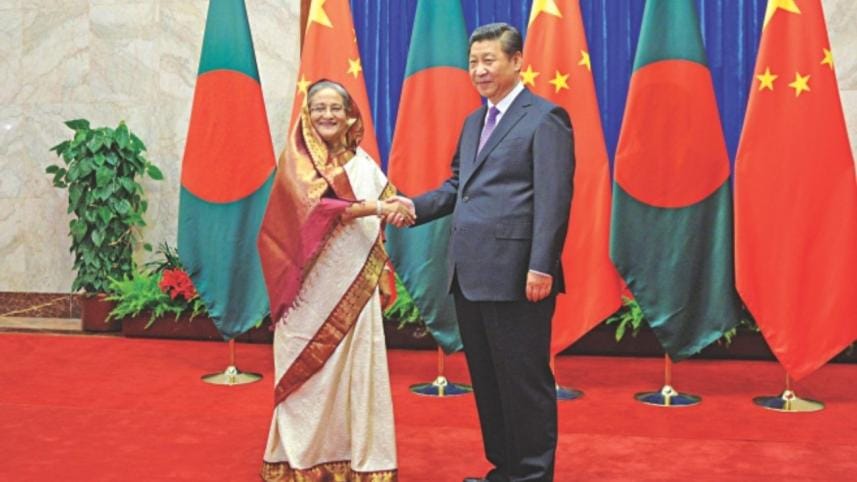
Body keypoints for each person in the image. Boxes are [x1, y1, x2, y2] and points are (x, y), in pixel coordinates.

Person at [390, 23, 574, 482]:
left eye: (489, 60)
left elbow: (554, 198)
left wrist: (541, 265)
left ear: (516, 61)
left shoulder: (545, 117)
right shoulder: (476, 121)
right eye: (473, 62)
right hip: (470, 273)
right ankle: (504, 469)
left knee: (523, 382)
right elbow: (459, 187)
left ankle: (532, 475)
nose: (479, 70)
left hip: (518, 276)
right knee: (489, 381)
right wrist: (414, 206)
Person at [258, 79, 412, 482]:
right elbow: (323, 209)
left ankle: (356, 458)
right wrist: (378, 206)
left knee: (356, 376)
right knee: (305, 378)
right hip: (306, 295)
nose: (327, 115)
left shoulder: (364, 166)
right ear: (307, 117)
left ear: (350, 116)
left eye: (335, 108)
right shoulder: (296, 164)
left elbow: (378, 231)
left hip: (355, 291)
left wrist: (381, 270)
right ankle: (299, 459)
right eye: (318, 108)